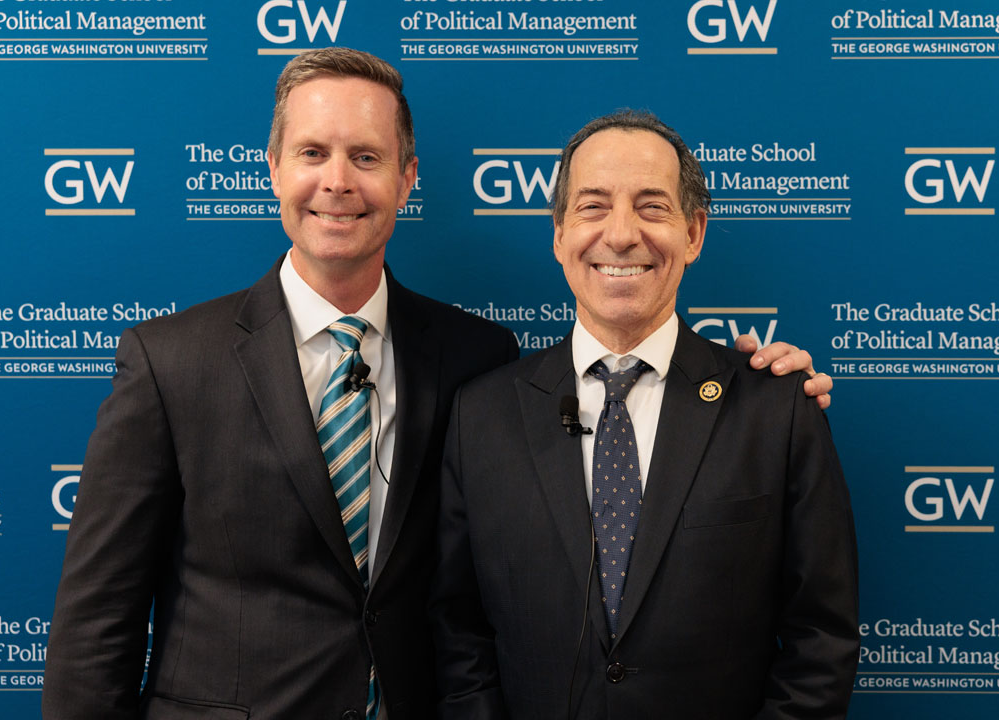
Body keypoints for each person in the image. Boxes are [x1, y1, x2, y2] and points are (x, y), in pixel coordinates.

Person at [42, 49, 831, 719]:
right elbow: (95, 618)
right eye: (313, 153)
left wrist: (757, 381)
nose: (338, 182)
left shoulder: (475, 359)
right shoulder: (169, 360)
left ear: (407, 176)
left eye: (367, 156)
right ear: (274, 168)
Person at [431, 111, 859, 719]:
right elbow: (459, 633)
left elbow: (823, 641)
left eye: (652, 207)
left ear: (694, 234)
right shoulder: (481, 417)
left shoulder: (777, 407)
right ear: (558, 234)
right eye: (593, 206)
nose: (622, 234)